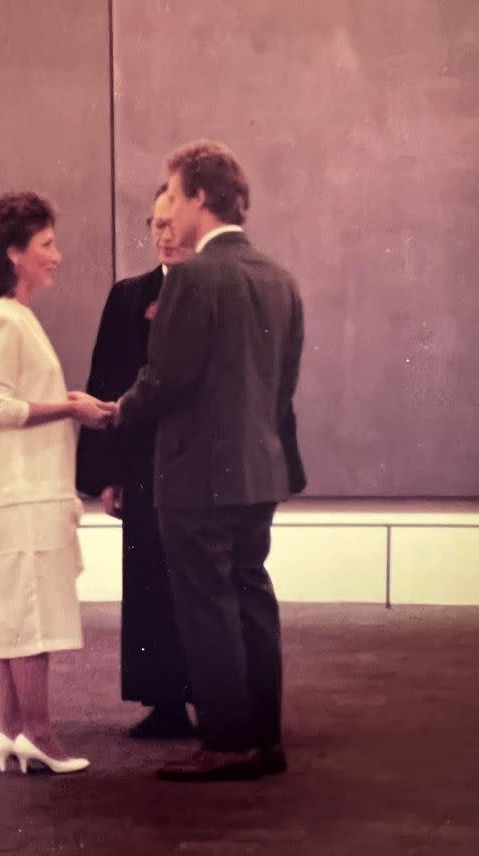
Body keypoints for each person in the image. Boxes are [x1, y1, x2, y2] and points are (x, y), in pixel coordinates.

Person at [116, 140, 305, 781]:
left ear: (199, 197)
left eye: (170, 194)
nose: (165, 209)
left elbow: (165, 380)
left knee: (207, 605)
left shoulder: (194, 278)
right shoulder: (279, 278)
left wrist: (117, 409)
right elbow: (281, 390)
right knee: (252, 594)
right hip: (260, 471)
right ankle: (263, 737)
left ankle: (227, 743)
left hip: (197, 476)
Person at [0, 192, 113, 775]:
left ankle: (10, 729)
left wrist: (67, 404)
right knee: (33, 616)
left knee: (15, 613)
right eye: (47, 244)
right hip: (25, 494)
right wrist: (70, 409)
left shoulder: (14, 317)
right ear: (14, 253)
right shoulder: (4, 318)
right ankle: (39, 733)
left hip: (25, 493)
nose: (57, 254)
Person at [76, 185, 195, 738]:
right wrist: (106, 476)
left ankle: (213, 699)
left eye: (173, 223)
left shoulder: (213, 293)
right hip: (143, 465)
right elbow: (105, 384)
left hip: (199, 463)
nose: (163, 234)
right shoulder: (128, 297)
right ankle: (163, 702)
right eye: (156, 223)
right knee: (147, 578)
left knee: (201, 582)